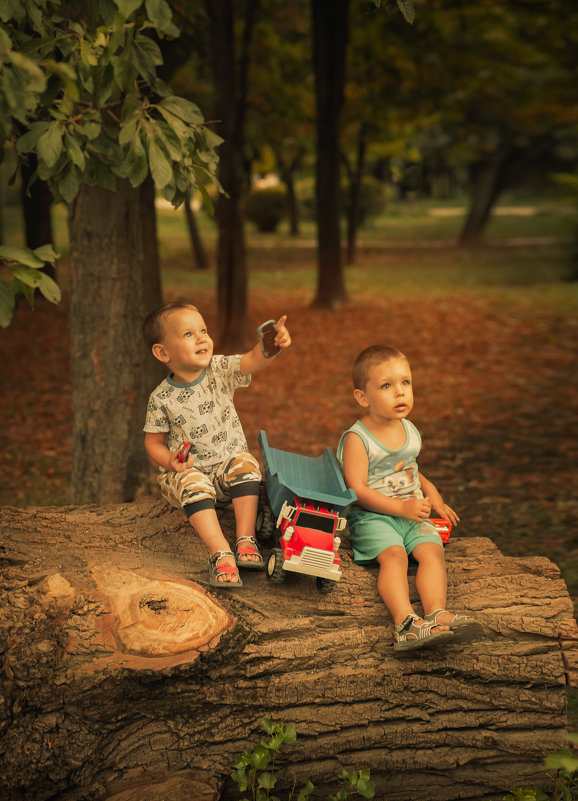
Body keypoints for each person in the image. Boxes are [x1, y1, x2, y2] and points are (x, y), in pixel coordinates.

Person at [337, 345, 483, 652]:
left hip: (412, 513)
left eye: (406, 383)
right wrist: (401, 507)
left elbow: (412, 471)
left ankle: (436, 612)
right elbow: (357, 490)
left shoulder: (409, 430)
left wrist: (434, 496)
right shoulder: (357, 438)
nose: (400, 392)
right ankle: (406, 623)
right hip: (373, 517)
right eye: (387, 386)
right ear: (363, 397)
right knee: (396, 557)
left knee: (432, 552)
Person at [143, 301, 291, 589]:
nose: (201, 338)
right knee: (192, 481)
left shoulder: (219, 369)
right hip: (189, 474)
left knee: (246, 462)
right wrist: (170, 461)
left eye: (203, 330)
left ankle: (245, 539)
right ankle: (220, 552)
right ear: (163, 352)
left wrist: (271, 347)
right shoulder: (160, 399)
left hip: (226, 470)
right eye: (188, 334)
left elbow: (251, 361)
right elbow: (152, 443)